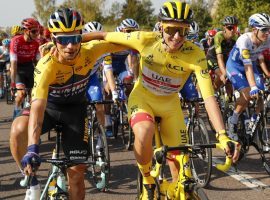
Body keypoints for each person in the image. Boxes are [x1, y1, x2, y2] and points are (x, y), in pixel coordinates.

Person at [83, 1, 240, 199]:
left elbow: (209, 97)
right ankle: (147, 177)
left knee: (182, 175)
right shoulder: (146, 39)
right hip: (143, 99)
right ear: (161, 26)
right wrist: (64, 40)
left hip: (170, 106)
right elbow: (103, 35)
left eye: (183, 31)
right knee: (145, 130)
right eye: (171, 29)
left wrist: (222, 134)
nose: (177, 37)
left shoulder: (195, 53)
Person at [9, 8, 127, 200]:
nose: (70, 46)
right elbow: (37, 108)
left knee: (77, 175)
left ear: (82, 36)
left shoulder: (90, 51)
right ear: (54, 39)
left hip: (75, 112)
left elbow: (124, 40)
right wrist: (32, 149)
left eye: (75, 38)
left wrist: (104, 34)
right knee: (17, 129)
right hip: (48, 108)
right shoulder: (46, 65)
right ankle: (30, 179)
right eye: (63, 40)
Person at [226, 13, 270, 142]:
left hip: (252, 65)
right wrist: (253, 87)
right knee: (247, 94)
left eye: (269, 29)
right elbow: (247, 67)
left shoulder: (267, 39)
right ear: (254, 29)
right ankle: (232, 121)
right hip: (235, 66)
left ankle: (253, 120)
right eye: (264, 29)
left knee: (261, 94)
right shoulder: (244, 40)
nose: (267, 33)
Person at [10, 18, 41, 118]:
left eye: (38, 31)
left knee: (34, 96)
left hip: (29, 67)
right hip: (18, 68)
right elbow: (13, 63)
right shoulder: (16, 41)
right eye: (34, 31)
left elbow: (37, 63)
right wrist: (12, 83)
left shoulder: (36, 43)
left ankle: (29, 113)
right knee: (21, 94)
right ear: (26, 31)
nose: (37, 34)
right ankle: (16, 110)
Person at [206, 16, 239, 92]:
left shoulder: (235, 37)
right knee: (222, 75)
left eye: (234, 28)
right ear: (224, 27)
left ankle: (230, 100)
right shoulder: (219, 36)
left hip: (225, 57)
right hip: (213, 57)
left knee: (229, 80)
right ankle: (213, 93)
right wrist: (224, 73)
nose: (232, 30)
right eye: (229, 28)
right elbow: (219, 58)